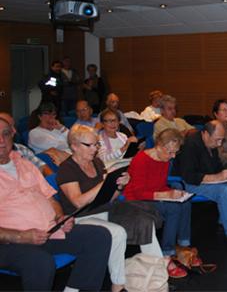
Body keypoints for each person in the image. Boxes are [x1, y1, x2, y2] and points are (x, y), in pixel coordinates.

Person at [0, 117, 112, 291]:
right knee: (40, 262)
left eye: (5, 134)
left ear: (12, 135)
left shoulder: (25, 164)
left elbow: (51, 198)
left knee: (99, 236)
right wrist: (20, 236)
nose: (1, 140)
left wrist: (60, 218)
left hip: (47, 232)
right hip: (9, 242)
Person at [57, 124, 166, 290]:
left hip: (103, 210)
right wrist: (104, 183)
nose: (95, 149)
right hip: (80, 218)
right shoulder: (66, 169)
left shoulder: (96, 162)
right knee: (117, 232)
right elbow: (78, 202)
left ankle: (158, 270)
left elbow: (108, 197)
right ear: (74, 146)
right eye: (90, 145)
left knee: (143, 221)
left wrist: (118, 185)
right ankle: (118, 283)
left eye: (96, 144)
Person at [125, 128, 200, 278]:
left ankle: (183, 246)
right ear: (159, 145)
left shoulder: (164, 159)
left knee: (184, 202)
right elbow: (139, 192)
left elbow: (160, 185)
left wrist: (176, 194)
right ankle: (168, 253)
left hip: (154, 196)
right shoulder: (141, 159)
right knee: (173, 207)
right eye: (170, 152)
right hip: (137, 201)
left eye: (175, 152)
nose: (173, 156)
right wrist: (168, 194)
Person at [173, 120, 227, 250]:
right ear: (206, 134)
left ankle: (226, 222)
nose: (219, 143)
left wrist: (225, 173)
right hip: (189, 183)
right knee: (223, 190)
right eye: (217, 140)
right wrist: (217, 177)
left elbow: (216, 166)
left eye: (221, 140)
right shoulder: (190, 145)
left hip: (206, 179)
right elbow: (189, 176)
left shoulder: (210, 143)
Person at [28, 103, 71, 167]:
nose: (51, 117)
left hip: (67, 159)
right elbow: (59, 146)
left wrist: (62, 128)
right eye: (47, 114)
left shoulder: (58, 129)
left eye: (53, 114)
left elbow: (74, 139)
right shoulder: (34, 133)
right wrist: (72, 144)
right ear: (40, 116)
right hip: (50, 164)